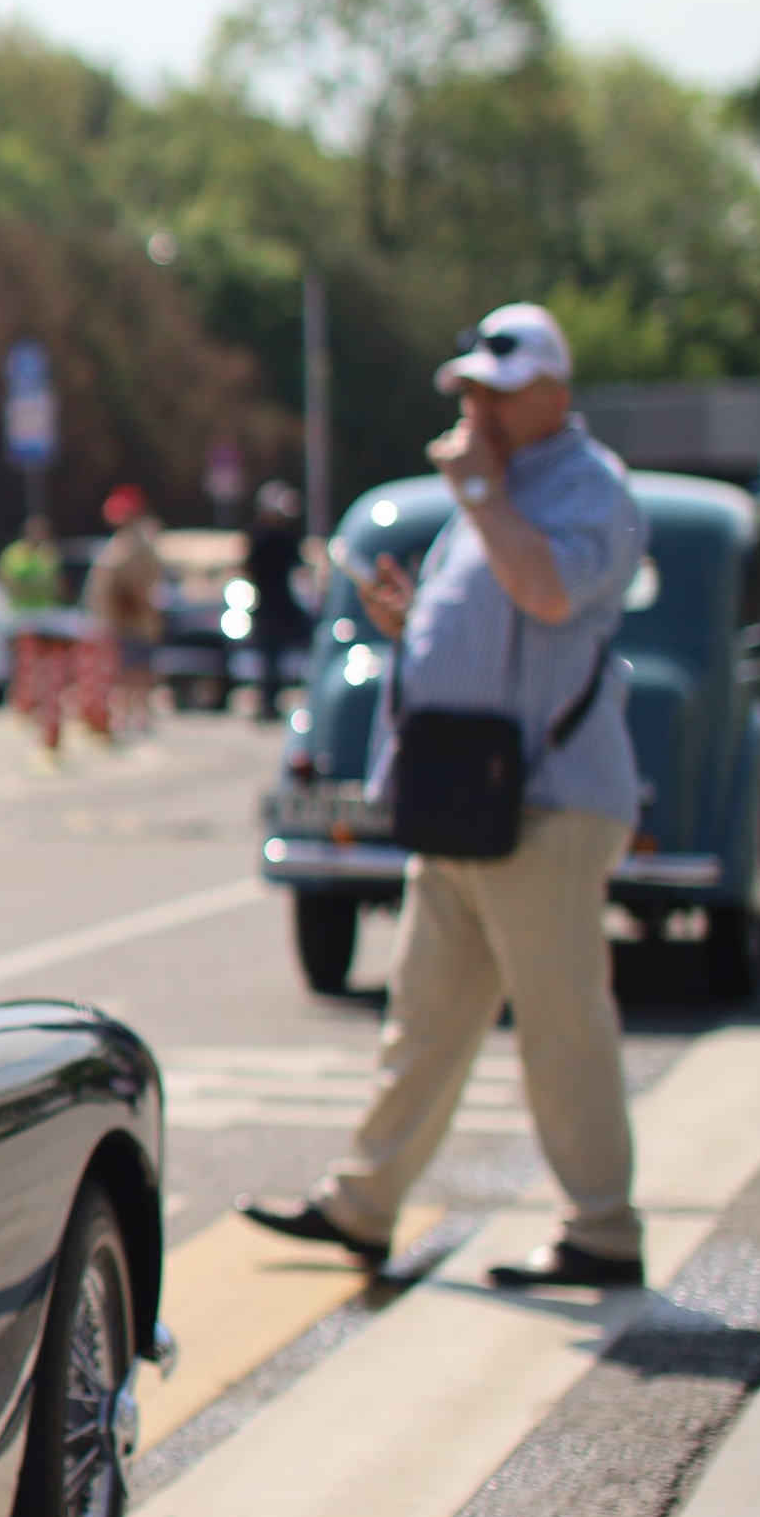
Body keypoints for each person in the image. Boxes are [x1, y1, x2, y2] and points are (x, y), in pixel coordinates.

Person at [242, 303, 649, 1290]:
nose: (478, 411)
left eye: (498, 393)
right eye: (469, 392)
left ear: (554, 393)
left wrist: (477, 496)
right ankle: (364, 1200)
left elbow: (549, 594)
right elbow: (497, 630)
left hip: (543, 802)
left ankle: (601, 1228)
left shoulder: (582, 491)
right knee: (423, 1017)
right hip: (469, 804)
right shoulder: (495, 492)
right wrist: (410, 620)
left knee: (558, 1023)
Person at [85, 485, 164, 734]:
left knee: (134, 669)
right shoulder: (126, 540)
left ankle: (136, 713)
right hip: (122, 618)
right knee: (126, 668)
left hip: (132, 617)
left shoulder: (137, 542)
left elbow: (140, 582)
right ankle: (129, 713)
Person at [245, 479, 311, 720]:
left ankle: (273, 700)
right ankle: (268, 701)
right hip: (271, 604)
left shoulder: (277, 537)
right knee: (270, 657)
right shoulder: (266, 537)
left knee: (277, 656)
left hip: (279, 604)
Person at [0, 515, 62, 618]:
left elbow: (57, 581)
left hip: (44, 610)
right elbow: (4, 578)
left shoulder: (47, 553)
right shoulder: (15, 552)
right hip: (21, 611)